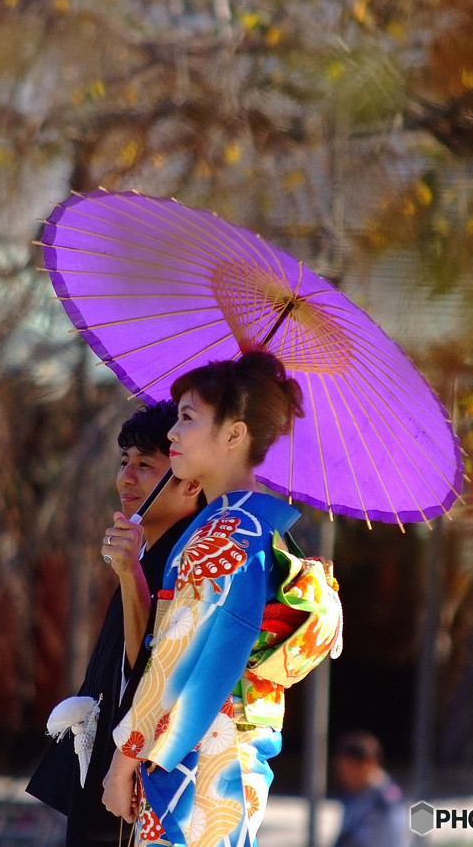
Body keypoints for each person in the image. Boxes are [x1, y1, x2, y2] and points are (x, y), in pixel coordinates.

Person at [101, 350, 306, 847]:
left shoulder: (224, 534)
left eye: (187, 419)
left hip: (204, 754)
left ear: (234, 434)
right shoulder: (249, 525)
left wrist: (122, 761)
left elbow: (175, 659)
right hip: (224, 747)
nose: (172, 432)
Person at [27, 400, 204, 847]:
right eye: (124, 461)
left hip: (135, 775)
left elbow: (147, 668)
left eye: (146, 465)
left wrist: (130, 574)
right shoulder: (151, 553)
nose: (125, 477)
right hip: (109, 763)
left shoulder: (191, 560)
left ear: (191, 483)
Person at [332, 731, 410, 847]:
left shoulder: (387, 803)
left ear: (369, 763)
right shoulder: (355, 795)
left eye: (349, 769)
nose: (344, 775)